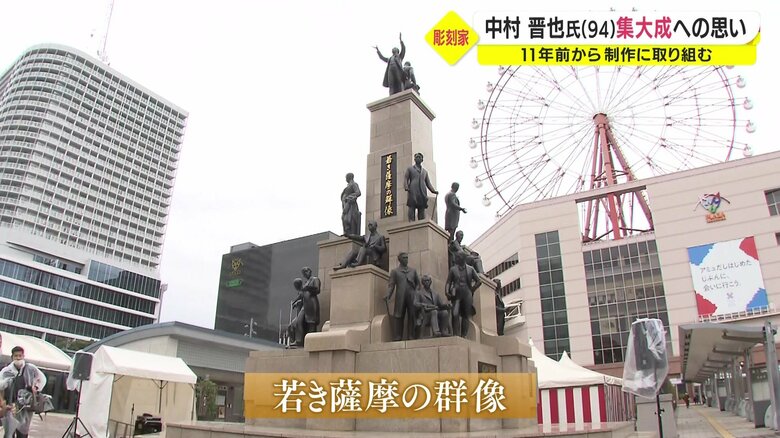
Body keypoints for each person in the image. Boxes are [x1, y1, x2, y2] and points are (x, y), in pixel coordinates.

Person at [1, 346, 47, 438]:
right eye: (16, 356)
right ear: (12, 357)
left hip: (25, 406)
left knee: (23, 432)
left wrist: (36, 387)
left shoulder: (31, 368)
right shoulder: (6, 370)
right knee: (9, 431)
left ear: (23, 356)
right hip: (11, 405)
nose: (18, 358)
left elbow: (42, 379)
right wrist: (7, 382)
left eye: (20, 356)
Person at [385, 253, 421, 341]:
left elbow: (418, 284)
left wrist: (416, 292)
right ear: (400, 259)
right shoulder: (395, 271)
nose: (406, 259)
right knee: (398, 315)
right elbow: (391, 285)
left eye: (407, 258)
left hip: (411, 295)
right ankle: (398, 336)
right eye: (404, 258)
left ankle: (411, 335)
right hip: (400, 296)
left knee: (412, 315)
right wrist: (388, 295)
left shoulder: (413, 271)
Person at [446, 252, 481, 338]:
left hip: (467, 293)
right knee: (455, 313)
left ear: (462, 258)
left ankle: (463, 335)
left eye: (457, 257)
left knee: (465, 315)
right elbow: (448, 282)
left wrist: (472, 290)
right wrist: (447, 291)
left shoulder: (470, 269)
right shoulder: (453, 269)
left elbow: (479, 281)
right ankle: (456, 334)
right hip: (456, 294)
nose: (456, 259)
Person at [403, 153, 438, 222]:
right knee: (412, 205)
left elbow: (428, 183)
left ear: (422, 160)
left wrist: (433, 191)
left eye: (419, 157)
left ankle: (421, 222)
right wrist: (406, 186)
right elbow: (406, 178)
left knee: (421, 207)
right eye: (416, 157)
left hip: (422, 191)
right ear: (414, 159)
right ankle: (411, 221)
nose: (418, 158)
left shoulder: (425, 172)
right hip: (413, 189)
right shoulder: (410, 169)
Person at [300, 267, 321, 340]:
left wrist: (308, 288)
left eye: (306, 271)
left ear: (310, 271)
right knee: (303, 323)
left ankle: (312, 341)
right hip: (306, 306)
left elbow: (317, 290)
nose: (305, 274)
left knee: (312, 323)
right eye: (304, 273)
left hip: (312, 304)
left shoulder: (315, 279)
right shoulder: (306, 283)